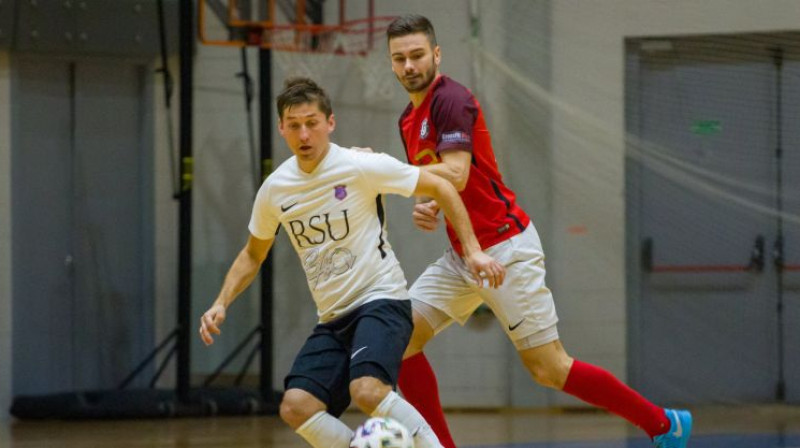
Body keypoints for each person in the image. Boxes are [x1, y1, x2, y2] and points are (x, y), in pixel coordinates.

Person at [384, 14, 693, 448]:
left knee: (549, 369)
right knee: (399, 338)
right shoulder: (406, 120)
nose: (409, 65)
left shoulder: (451, 99)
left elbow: (453, 170)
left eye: (417, 55)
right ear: (391, 64)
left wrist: (383, 173)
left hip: (505, 249)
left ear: (436, 54)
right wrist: (429, 205)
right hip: (464, 254)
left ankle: (663, 423)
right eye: (400, 59)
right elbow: (442, 181)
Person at [198, 77, 505, 448]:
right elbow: (252, 253)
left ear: (331, 122)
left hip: (381, 302)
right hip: (332, 318)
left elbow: (442, 185)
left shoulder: (361, 165)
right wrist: (220, 302)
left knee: (368, 390)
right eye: (294, 125)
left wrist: (471, 250)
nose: (304, 134)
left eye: (312, 122)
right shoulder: (275, 189)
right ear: (282, 129)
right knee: (296, 407)